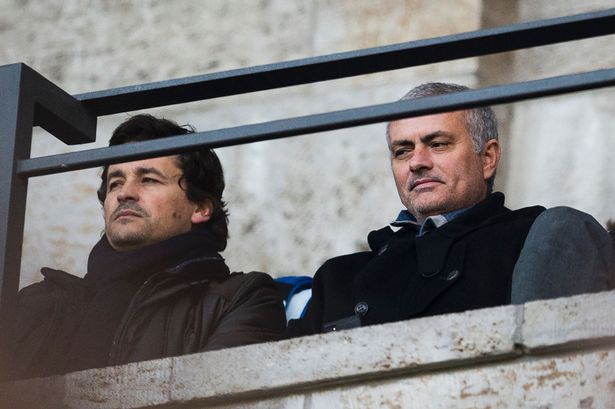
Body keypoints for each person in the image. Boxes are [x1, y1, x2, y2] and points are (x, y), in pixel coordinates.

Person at [286, 82, 614, 337]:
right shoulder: (339, 276)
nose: (417, 162)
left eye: (438, 144)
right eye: (402, 151)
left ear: (487, 158)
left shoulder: (538, 238)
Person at [0, 114, 286, 380]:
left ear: (199, 207)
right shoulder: (39, 304)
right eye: (115, 183)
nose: (125, 193)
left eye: (148, 179)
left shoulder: (241, 299)